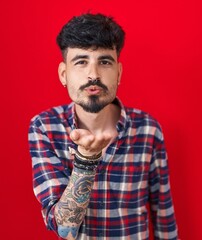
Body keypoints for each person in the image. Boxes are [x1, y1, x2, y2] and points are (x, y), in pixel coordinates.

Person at [28, 13, 178, 240]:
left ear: (118, 73)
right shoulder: (45, 127)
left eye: (105, 62)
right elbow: (63, 228)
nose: (93, 75)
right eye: (81, 62)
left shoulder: (148, 130)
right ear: (63, 74)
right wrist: (85, 161)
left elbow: (164, 215)